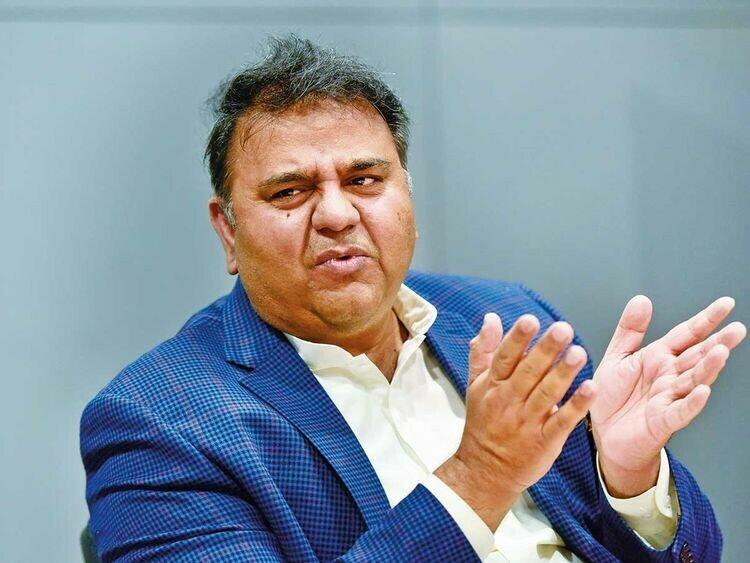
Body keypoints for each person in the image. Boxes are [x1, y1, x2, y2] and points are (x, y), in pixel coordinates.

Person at [80, 35, 746, 562]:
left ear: (407, 194)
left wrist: (628, 479)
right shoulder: (157, 420)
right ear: (228, 230)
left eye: (365, 179)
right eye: (290, 192)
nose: (337, 214)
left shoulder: (504, 317)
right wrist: (481, 475)